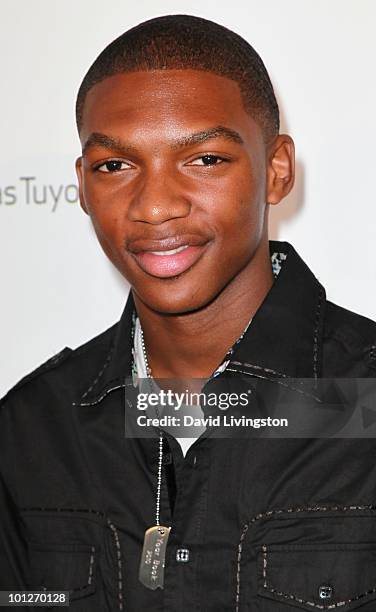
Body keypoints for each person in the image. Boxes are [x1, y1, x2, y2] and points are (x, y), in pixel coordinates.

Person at [1, 13, 376, 612]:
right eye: (114, 166)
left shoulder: (367, 399)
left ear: (276, 169)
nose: (154, 207)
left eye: (204, 159)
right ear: (81, 185)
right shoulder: (32, 428)